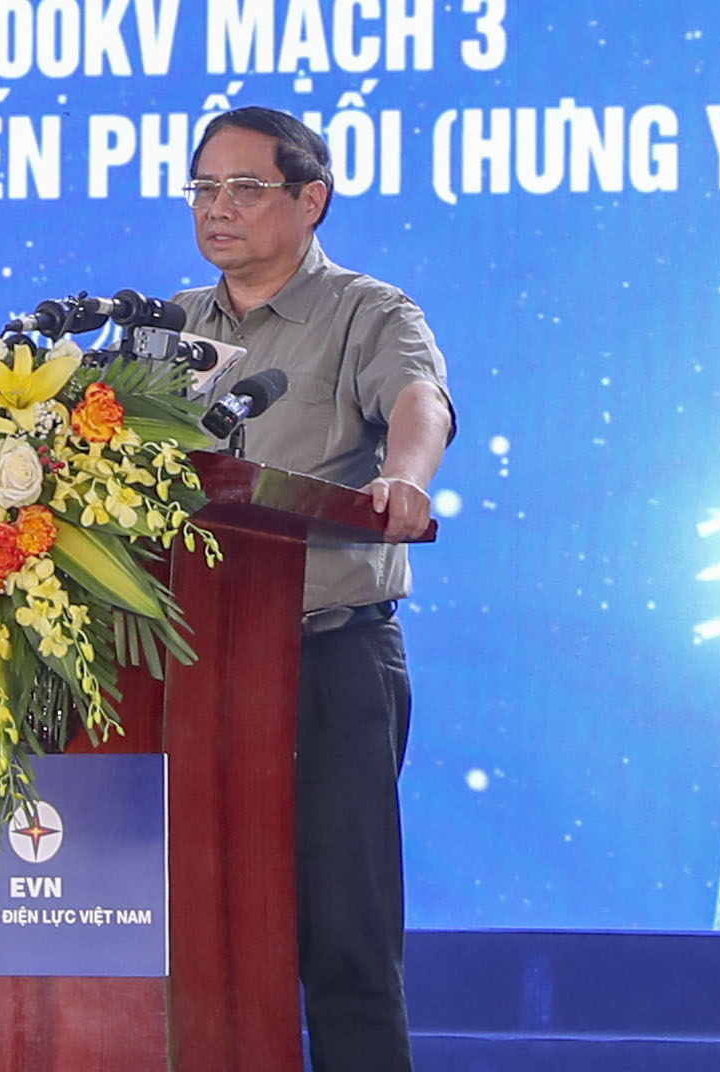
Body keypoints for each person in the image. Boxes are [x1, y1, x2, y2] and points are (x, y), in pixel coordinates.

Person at [171, 105, 451, 1072]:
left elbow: (420, 399)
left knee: (345, 944)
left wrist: (406, 477)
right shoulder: (168, 328)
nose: (218, 207)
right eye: (204, 188)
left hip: (324, 659)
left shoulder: (367, 312)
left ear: (311, 199)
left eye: (245, 188)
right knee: (186, 940)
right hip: (184, 673)